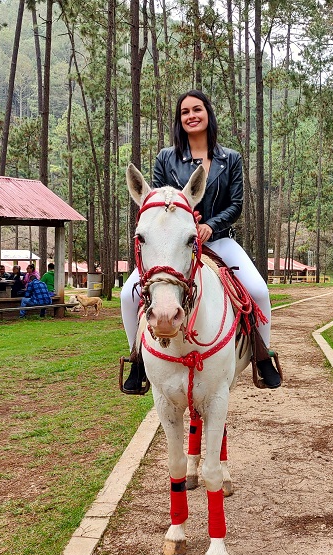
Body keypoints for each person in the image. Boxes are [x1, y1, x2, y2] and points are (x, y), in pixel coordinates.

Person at [120, 89, 281, 393]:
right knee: (128, 295)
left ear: (208, 114)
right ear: (179, 120)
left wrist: (210, 225)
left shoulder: (230, 158)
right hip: (173, 245)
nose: (191, 116)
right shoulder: (166, 158)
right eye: (185, 112)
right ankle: (138, 359)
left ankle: (262, 356)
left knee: (258, 290)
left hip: (217, 241)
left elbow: (236, 204)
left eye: (197, 110)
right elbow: (156, 201)